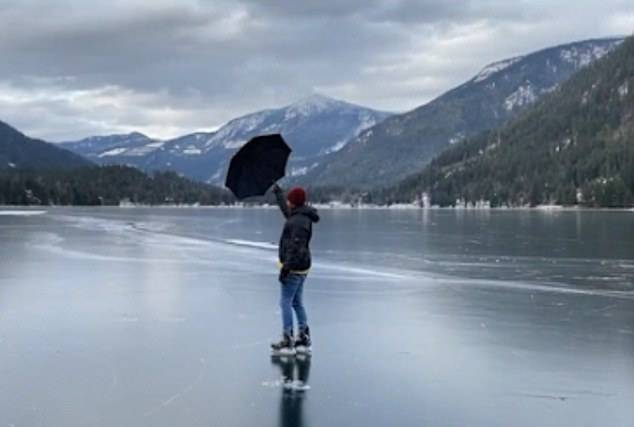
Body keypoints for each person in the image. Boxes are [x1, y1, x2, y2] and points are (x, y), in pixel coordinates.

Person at [270, 184, 320, 356]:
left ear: (295, 202)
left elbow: (295, 247)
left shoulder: (298, 222)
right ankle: (303, 337)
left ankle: (288, 339)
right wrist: (279, 194)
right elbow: (287, 213)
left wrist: (286, 268)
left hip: (295, 266)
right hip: (303, 266)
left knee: (285, 302)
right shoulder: (301, 216)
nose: (288, 203)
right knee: (297, 302)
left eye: (290, 200)